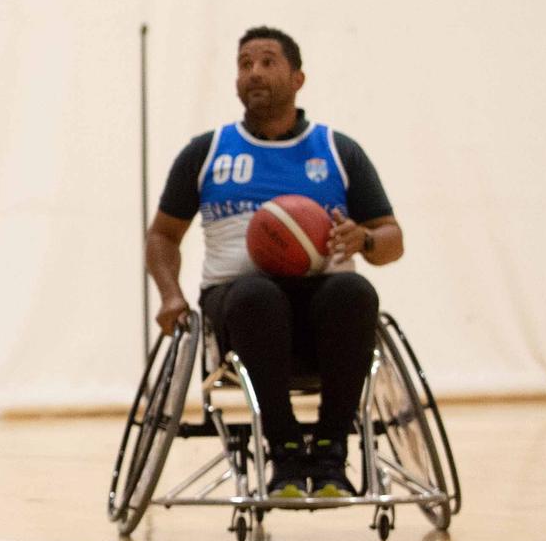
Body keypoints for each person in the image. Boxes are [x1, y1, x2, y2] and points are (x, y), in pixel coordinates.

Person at [144, 27, 405, 499]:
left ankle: (329, 452)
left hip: (323, 308)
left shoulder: (338, 150)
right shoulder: (207, 152)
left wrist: (364, 238)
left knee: (355, 291)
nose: (254, 73)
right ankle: (283, 451)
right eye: (244, 64)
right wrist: (170, 294)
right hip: (238, 309)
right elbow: (162, 235)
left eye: (267, 62)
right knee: (256, 293)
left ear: (298, 78)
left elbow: (392, 239)